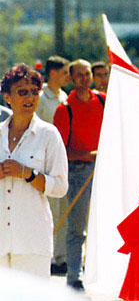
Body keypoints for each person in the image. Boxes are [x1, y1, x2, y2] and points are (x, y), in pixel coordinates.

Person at [0, 64, 68, 277]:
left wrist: (28, 173)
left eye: (34, 92)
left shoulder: (49, 135)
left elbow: (60, 187)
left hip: (32, 241)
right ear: (7, 97)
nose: (30, 98)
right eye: (22, 92)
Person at [53, 59, 106, 291]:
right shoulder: (65, 109)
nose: (85, 78)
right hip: (78, 172)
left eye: (88, 74)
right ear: (72, 79)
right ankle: (74, 276)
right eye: (80, 75)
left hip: (104, 169)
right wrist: (88, 154)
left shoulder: (103, 101)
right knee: (77, 228)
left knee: (103, 225)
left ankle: (100, 273)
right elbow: (61, 150)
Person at [35, 55, 70, 275]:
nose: (68, 76)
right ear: (54, 73)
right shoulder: (40, 97)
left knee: (62, 210)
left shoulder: (64, 96)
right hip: (43, 162)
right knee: (47, 211)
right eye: (65, 72)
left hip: (62, 160)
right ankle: (46, 255)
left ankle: (60, 257)